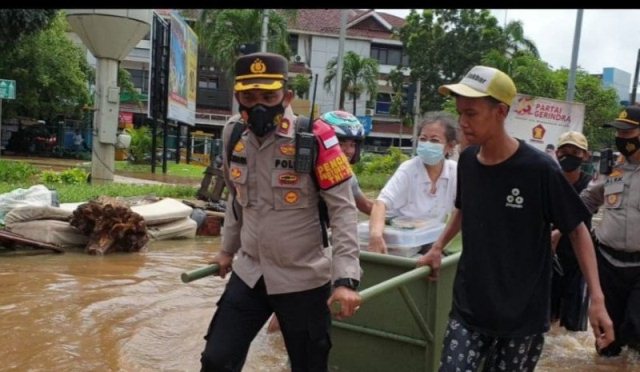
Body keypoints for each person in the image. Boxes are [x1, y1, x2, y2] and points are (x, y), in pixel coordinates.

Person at [416, 65, 614, 371]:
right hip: (469, 307)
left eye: (471, 114)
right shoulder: (467, 161)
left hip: (522, 316)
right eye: (460, 114)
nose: (462, 123)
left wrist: (597, 300)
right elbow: (463, 208)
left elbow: (577, 229)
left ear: (501, 112)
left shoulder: (539, 169)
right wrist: (438, 247)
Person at [199, 52, 361, 372]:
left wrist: (345, 279)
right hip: (250, 274)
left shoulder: (317, 137)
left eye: (268, 96)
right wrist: (226, 251)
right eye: (249, 96)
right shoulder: (233, 135)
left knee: (308, 366)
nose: (258, 104)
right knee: (216, 360)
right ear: (238, 98)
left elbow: (343, 210)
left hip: (303, 279)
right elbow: (236, 201)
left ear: (286, 96)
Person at [580, 105, 640, 357]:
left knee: (637, 331)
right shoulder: (610, 170)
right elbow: (587, 201)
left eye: (628, 133)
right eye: (619, 133)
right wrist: (561, 225)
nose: (622, 138)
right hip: (607, 264)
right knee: (606, 340)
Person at [367, 112, 458, 254]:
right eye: (423, 139)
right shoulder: (409, 169)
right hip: (401, 244)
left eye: (434, 141)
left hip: (430, 240)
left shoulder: (454, 172)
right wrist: (376, 236)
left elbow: (462, 210)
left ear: (450, 146)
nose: (427, 144)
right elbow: (381, 203)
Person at [550, 131, 594, 332]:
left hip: (578, 260)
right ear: (557, 153)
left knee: (572, 326)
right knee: (547, 317)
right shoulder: (549, 180)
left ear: (585, 156)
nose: (569, 155)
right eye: (565, 150)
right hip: (549, 256)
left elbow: (584, 216)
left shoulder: (590, 186)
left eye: (575, 151)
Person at [321, 110, 373, 215]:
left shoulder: (346, 174)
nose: (349, 151)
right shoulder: (305, 170)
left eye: (352, 145)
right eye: (341, 144)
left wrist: (393, 218)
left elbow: (365, 205)